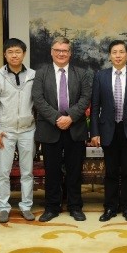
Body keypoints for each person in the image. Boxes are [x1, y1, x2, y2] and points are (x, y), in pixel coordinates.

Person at [32, 36, 93, 222]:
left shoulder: (81, 73)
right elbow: (38, 99)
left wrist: (70, 117)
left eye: (64, 50)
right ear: (51, 52)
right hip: (50, 128)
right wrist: (57, 118)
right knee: (52, 171)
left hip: (75, 128)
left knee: (75, 171)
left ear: (70, 53)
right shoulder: (41, 73)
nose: (61, 53)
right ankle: (52, 207)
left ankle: (75, 207)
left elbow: (86, 97)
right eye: (57, 50)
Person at [90, 40, 127, 222]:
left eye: (121, 52)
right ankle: (110, 207)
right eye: (114, 52)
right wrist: (94, 132)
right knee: (110, 172)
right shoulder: (100, 76)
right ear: (110, 55)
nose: (118, 55)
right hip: (108, 130)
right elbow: (95, 107)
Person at [0, 38, 36, 223]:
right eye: (10, 52)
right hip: (4, 131)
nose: (14, 55)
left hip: (28, 130)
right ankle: (3, 207)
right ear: (5, 54)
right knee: (3, 172)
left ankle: (26, 206)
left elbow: (37, 104)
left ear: (24, 54)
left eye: (18, 52)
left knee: (27, 172)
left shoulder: (33, 75)